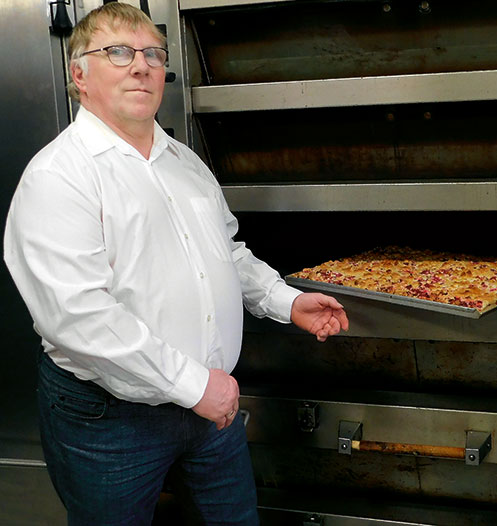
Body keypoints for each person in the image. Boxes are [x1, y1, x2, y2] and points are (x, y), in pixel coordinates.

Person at [3, 3, 349, 525]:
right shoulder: (59, 176)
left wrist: (287, 301)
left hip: (212, 408)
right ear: (80, 74)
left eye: (153, 54)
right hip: (109, 419)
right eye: (117, 52)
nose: (140, 65)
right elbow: (78, 316)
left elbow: (227, 253)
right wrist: (196, 386)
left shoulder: (186, 164)